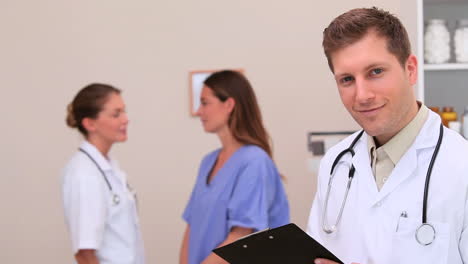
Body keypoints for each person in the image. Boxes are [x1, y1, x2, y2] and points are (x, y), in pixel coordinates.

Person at [306, 7, 468, 264]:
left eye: (376, 72)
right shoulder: (335, 164)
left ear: (411, 69)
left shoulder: (461, 167)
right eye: (347, 79)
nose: (362, 95)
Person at [179, 70, 290, 264]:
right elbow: (191, 227)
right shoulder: (208, 162)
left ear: (229, 105)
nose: (198, 111)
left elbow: (240, 238)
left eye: (205, 103)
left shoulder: (254, 162)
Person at [61, 83, 145, 264]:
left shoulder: (109, 166)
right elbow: (84, 253)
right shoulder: (83, 174)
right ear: (90, 123)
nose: (126, 119)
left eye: (124, 111)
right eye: (116, 114)